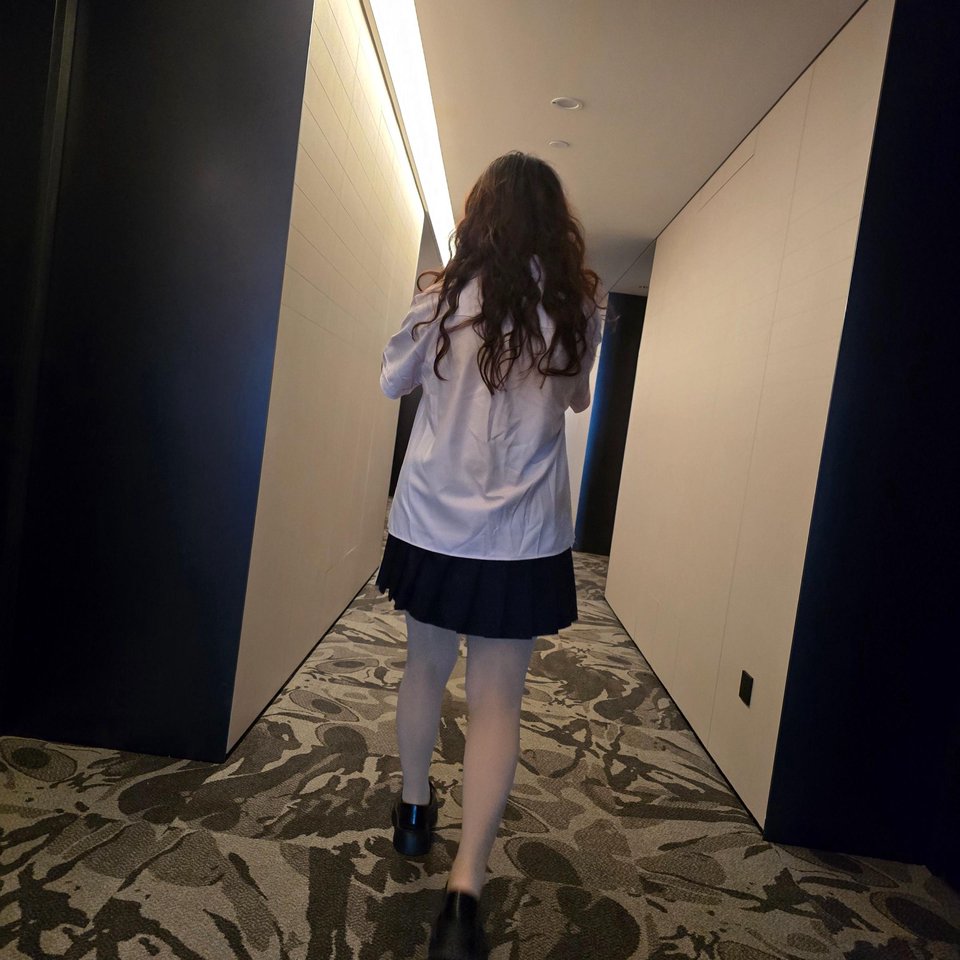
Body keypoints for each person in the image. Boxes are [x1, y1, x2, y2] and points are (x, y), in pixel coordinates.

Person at [376, 151, 603, 960]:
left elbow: (392, 381)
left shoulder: (442, 297)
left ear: (479, 217)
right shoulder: (579, 305)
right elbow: (576, 396)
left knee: (425, 670)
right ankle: (465, 891)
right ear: (553, 222)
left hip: (434, 525)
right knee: (498, 702)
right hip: (523, 537)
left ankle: (413, 813)